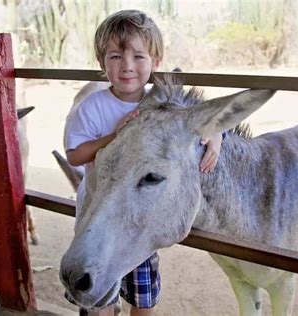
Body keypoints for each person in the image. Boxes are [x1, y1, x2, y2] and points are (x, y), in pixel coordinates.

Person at [64, 9, 223, 316]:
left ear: (155, 62)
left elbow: (196, 121)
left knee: (143, 299)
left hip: (139, 226)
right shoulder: (93, 107)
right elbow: (75, 155)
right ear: (101, 63)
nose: (127, 66)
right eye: (115, 57)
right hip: (97, 216)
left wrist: (215, 133)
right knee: (99, 300)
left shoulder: (160, 102)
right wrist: (114, 136)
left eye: (138, 57)